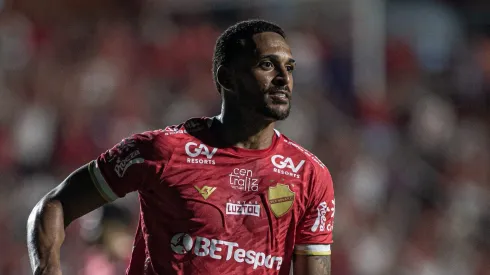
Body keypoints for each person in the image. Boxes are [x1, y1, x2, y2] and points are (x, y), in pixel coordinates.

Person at [27, 19, 335, 275]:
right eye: (267, 65)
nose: (283, 79)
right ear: (227, 76)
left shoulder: (309, 176)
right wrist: (48, 268)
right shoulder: (162, 151)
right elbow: (55, 206)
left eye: (290, 68)